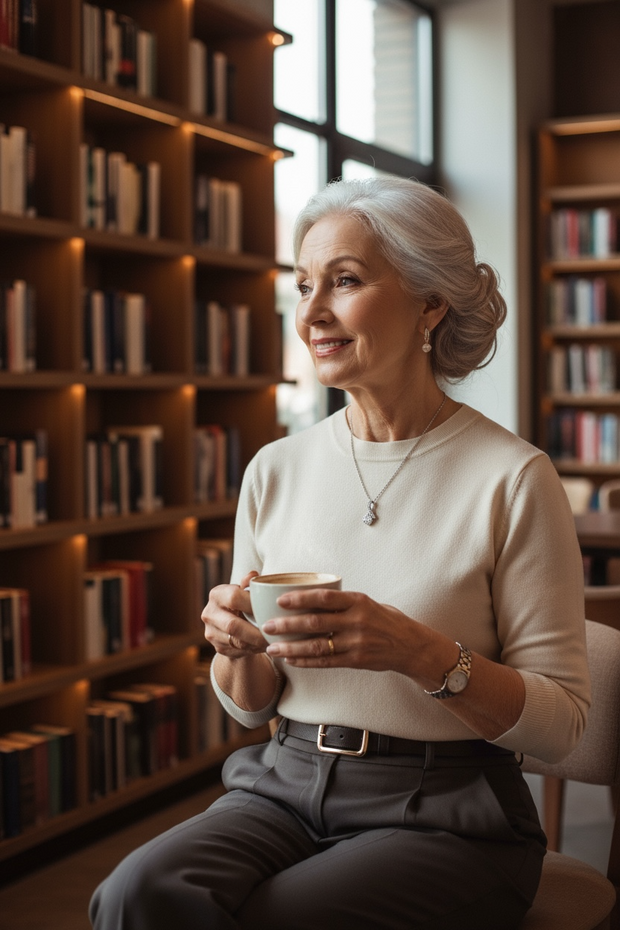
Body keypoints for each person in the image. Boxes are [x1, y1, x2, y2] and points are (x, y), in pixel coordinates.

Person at [89, 177, 591, 930]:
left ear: (430, 302)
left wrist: (420, 654)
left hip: (452, 810)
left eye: (346, 281)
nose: (312, 313)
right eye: (303, 286)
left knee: (282, 917)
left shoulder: (513, 478)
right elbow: (248, 703)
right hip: (281, 784)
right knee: (136, 894)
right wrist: (234, 645)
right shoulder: (275, 469)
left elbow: (561, 726)